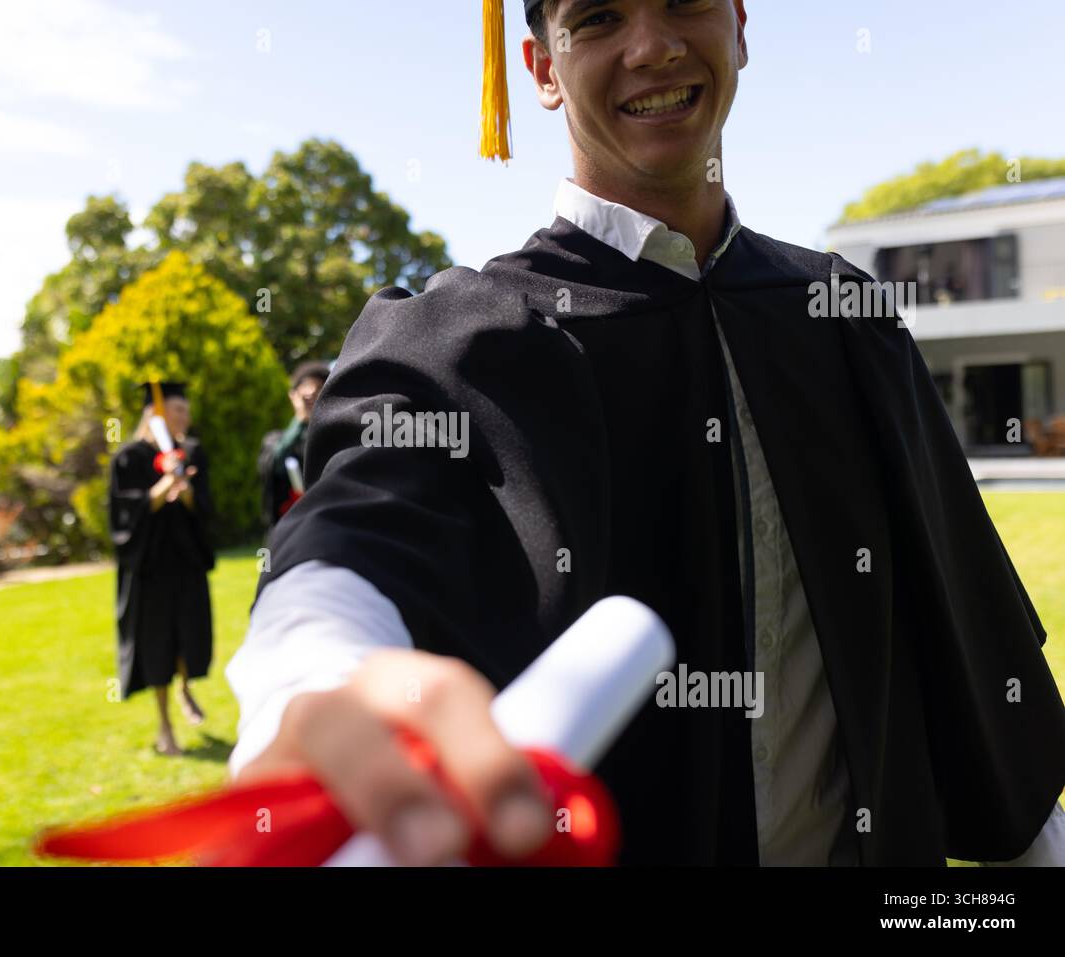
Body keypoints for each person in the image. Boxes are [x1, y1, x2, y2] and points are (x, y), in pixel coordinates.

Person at [225, 0, 1065, 866]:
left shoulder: (841, 314)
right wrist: (317, 678)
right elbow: (354, 534)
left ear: (740, 26)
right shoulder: (469, 344)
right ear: (543, 70)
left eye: (685, 3)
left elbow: (963, 617)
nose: (654, 46)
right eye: (597, 17)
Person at [109, 382, 216, 756]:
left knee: (187, 634)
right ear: (155, 414)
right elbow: (124, 518)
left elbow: (203, 509)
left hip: (185, 563)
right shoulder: (129, 458)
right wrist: (163, 485)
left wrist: (184, 486)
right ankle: (165, 726)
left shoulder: (191, 453)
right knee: (155, 647)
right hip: (149, 569)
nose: (184, 417)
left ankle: (185, 687)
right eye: (176, 409)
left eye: (186, 409)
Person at [257, 361, 330, 530]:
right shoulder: (275, 439)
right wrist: (301, 418)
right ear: (293, 395)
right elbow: (273, 466)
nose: (311, 394)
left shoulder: (339, 436)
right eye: (304, 388)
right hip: (291, 526)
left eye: (319, 388)